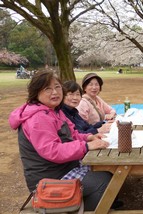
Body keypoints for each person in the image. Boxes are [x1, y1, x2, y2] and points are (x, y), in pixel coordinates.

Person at [8, 71, 122, 211]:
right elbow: (53, 151)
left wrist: (88, 137)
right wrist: (86, 146)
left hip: (63, 168)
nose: (54, 92)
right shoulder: (38, 118)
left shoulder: (54, 111)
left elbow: (72, 133)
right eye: (47, 88)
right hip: (48, 179)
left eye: (57, 87)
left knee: (106, 171)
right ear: (36, 92)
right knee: (103, 182)